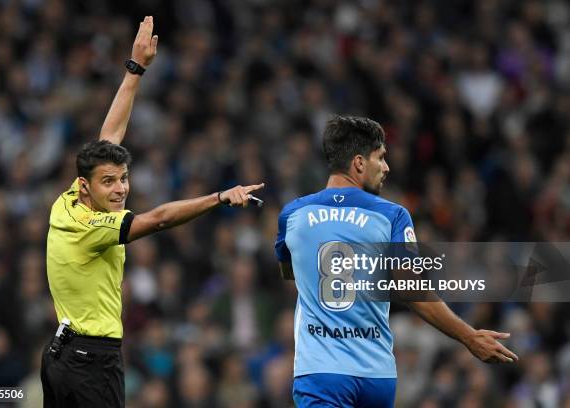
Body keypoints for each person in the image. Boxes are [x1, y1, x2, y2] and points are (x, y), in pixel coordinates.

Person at [41, 16, 263, 408]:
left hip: (62, 355)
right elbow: (158, 219)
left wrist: (135, 69)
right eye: (109, 182)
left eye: (123, 178)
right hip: (93, 361)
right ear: (86, 186)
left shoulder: (67, 202)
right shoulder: (92, 226)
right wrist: (219, 198)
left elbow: (109, 137)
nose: (121, 188)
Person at [275, 115, 518, 408]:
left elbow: (290, 273)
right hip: (376, 376)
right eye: (381, 158)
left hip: (322, 373)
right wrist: (470, 337)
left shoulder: (293, 215)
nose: (387, 167)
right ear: (359, 163)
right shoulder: (391, 215)